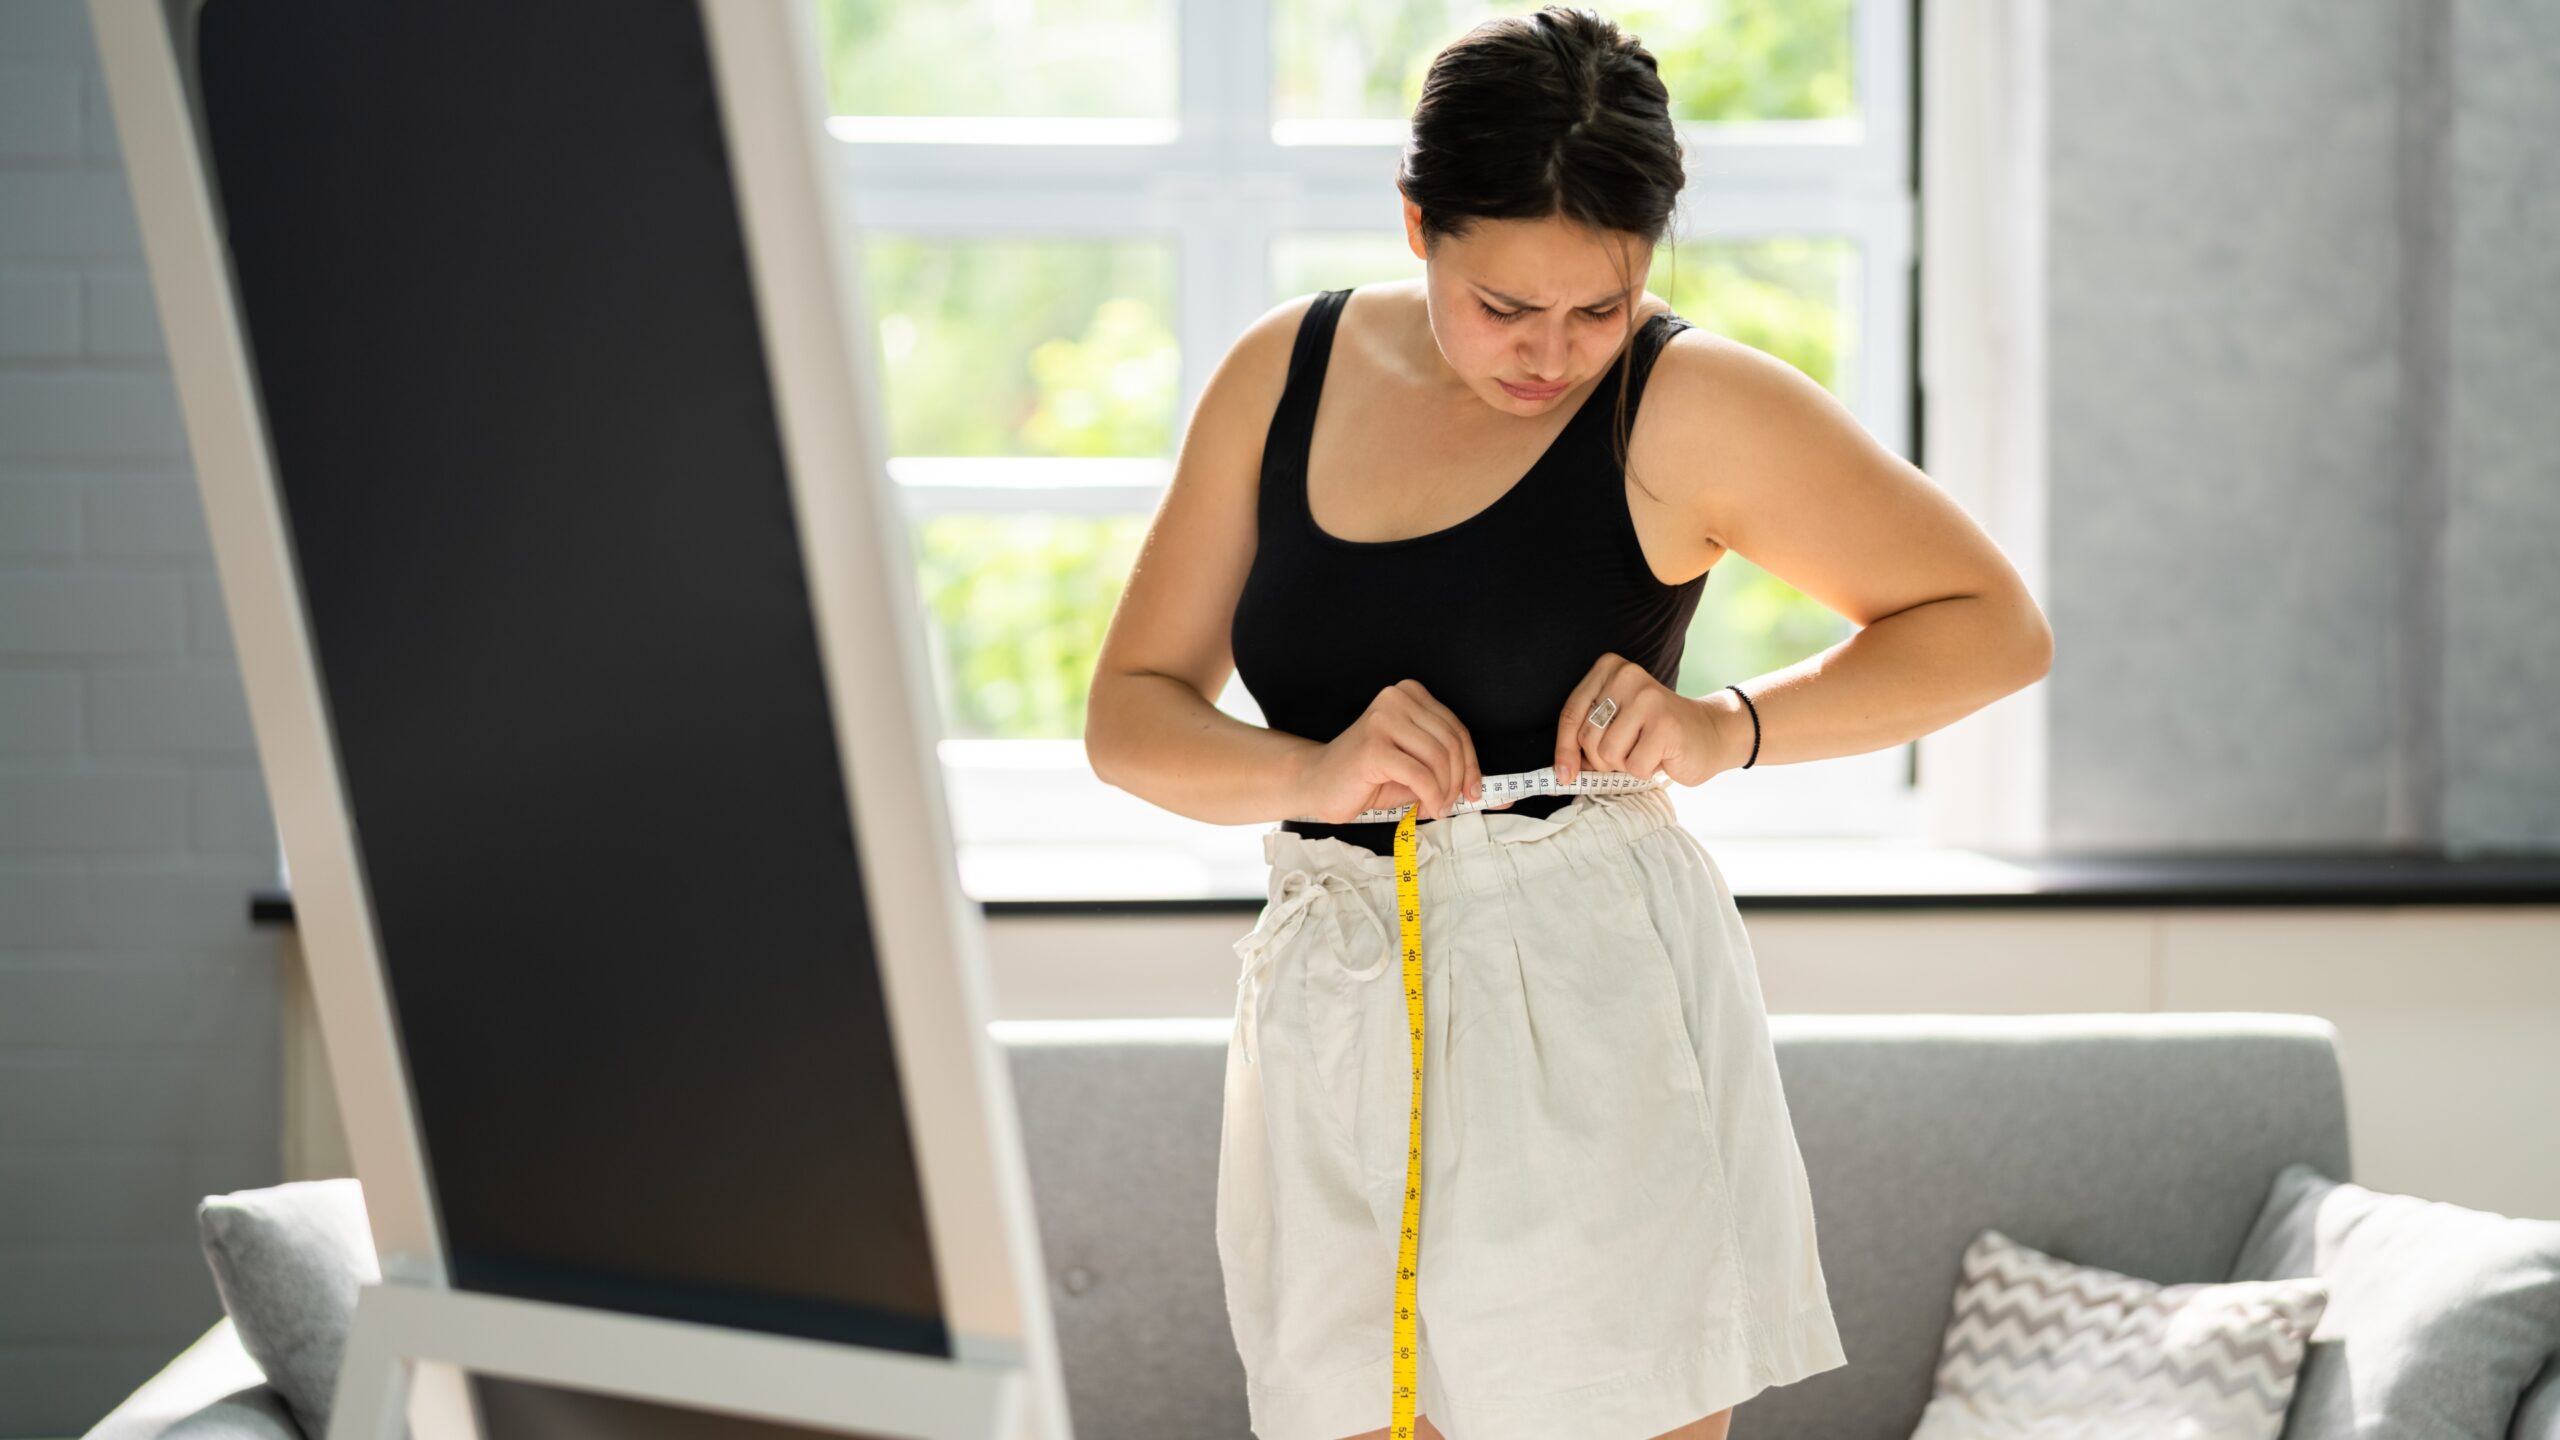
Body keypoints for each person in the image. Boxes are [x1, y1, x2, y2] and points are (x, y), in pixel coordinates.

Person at [1083, 9, 2053, 1438]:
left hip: (1593, 1007)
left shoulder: (1687, 404)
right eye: (1503, 307)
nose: (1550, 355)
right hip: (1330, 1000)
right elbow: (1129, 717)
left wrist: (1728, 728)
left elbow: (1992, 624)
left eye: (1600, 308)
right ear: (1417, 225)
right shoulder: (1282, 374)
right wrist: (1316, 770)